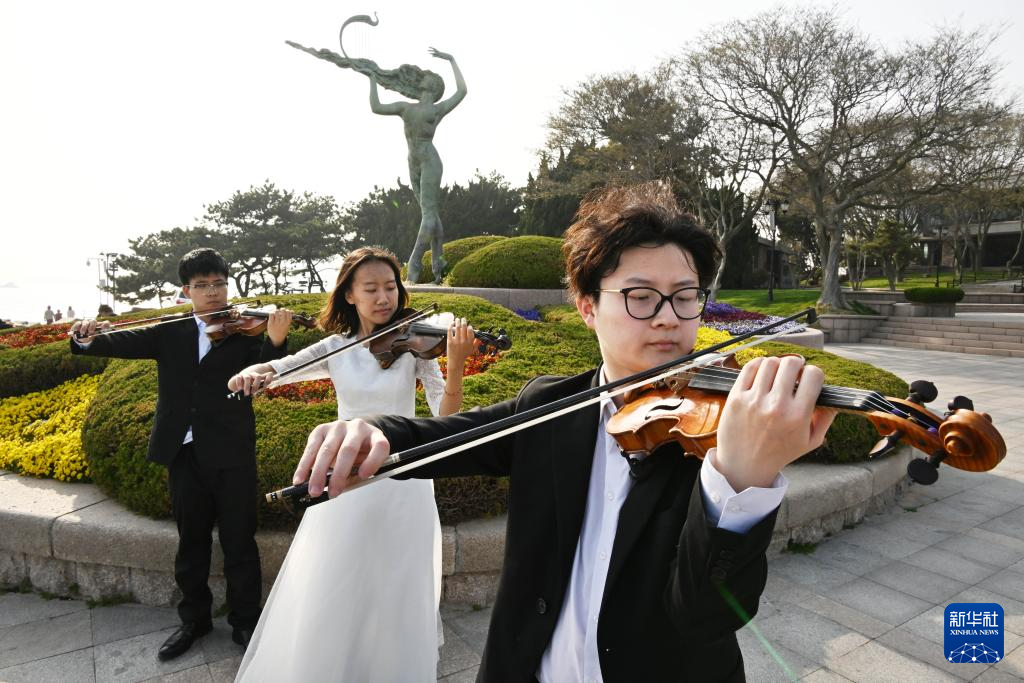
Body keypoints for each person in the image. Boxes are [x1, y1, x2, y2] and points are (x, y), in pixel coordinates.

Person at [293, 183, 837, 682]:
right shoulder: (550, 407)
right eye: (641, 296)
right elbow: (444, 435)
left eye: (685, 295)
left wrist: (741, 478)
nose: (669, 317)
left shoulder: (720, 439)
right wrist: (369, 430)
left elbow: (705, 618)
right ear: (587, 307)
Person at [230, 246, 477, 682]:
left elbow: (445, 417)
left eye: (391, 288)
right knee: (337, 581)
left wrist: (454, 366)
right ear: (349, 294)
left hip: (404, 481)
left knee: (397, 584)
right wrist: (253, 372)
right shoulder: (335, 347)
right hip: (346, 480)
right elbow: (281, 367)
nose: (384, 298)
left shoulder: (416, 348)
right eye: (371, 289)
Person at [69, 248, 294, 661]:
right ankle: (194, 620)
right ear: (186, 291)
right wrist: (84, 337)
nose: (213, 292)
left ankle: (245, 620)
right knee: (191, 541)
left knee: (240, 540)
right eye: (202, 285)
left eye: (219, 284)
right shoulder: (168, 331)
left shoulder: (247, 332)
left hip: (231, 452)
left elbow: (268, 378)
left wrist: (276, 340)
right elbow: (114, 342)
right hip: (183, 452)